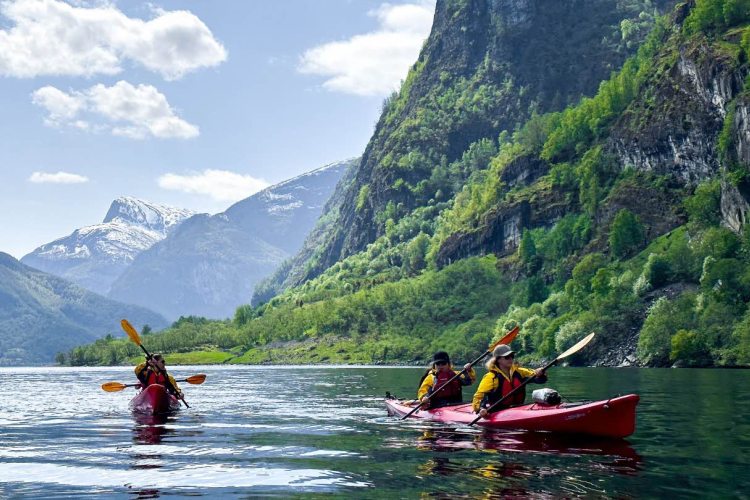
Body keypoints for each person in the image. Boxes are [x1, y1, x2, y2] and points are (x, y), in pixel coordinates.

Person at [472, 344, 546, 418]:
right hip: (498, 412)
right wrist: (481, 409)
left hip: (519, 409)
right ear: (498, 360)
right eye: (507, 357)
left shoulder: (520, 372)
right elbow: (478, 397)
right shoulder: (491, 377)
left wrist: (540, 373)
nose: (510, 359)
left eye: (512, 356)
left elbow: (540, 380)